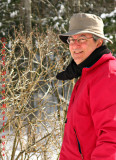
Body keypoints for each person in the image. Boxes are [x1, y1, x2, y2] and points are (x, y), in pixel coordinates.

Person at [56, 13, 116, 160]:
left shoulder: (107, 74)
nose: (75, 45)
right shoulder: (87, 73)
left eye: (82, 39)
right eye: (71, 39)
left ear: (99, 42)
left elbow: (112, 136)